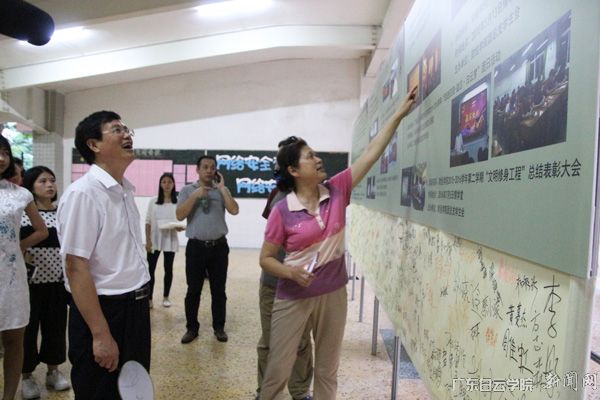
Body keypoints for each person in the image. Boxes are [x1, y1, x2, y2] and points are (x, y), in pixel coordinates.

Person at [258, 86, 417, 400]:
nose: (318, 159)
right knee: (278, 371)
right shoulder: (282, 210)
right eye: (310, 157)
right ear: (293, 170)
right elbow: (266, 258)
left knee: (327, 371)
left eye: (316, 154)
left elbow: (372, 153)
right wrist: (291, 273)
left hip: (333, 294)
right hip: (293, 296)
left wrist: (399, 114)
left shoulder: (338, 189)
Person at [57, 111, 151, 399]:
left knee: (132, 390)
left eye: (127, 129)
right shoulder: (84, 194)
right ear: (94, 144)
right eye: (116, 130)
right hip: (104, 311)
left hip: (135, 308)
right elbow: (76, 267)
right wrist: (100, 334)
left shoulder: (123, 190)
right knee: (99, 391)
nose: (127, 135)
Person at [255, 145, 313, 400]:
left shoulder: (316, 197)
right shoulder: (277, 197)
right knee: (270, 342)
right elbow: (270, 244)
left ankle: (300, 391)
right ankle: (265, 391)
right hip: (273, 283)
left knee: (301, 341)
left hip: (301, 284)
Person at [0, 135, 48, 400]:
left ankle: (8, 396)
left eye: (5, 152)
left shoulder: (21, 194)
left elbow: (41, 230)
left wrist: (19, 246)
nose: (1, 157)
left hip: (11, 277)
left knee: (14, 339)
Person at [176, 155, 239, 344]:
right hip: (196, 248)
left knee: (218, 290)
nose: (209, 170)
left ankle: (219, 327)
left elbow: (234, 210)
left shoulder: (222, 190)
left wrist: (222, 189)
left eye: (212, 167)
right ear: (197, 170)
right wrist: (196, 195)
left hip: (219, 247)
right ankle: (191, 328)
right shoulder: (188, 190)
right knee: (193, 290)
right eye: (205, 167)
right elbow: (179, 215)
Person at [20, 166, 71, 399]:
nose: (50, 185)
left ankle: (53, 371)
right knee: (28, 331)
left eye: (52, 180)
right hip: (28, 285)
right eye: (43, 181)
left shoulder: (62, 214)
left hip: (57, 283)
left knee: (56, 328)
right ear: (31, 186)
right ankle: (27, 376)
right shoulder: (23, 214)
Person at [145, 172, 182, 308]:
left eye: (169, 182)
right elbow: (148, 222)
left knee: (168, 269)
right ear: (160, 184)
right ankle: (149, 298)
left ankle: (166, 297)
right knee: (150, 270)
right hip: (154, 240)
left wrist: (179, 227)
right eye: (164, 182)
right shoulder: (153, 201)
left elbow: (179, 220)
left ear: (173, 184)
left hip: (170, 239)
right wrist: (148, 241)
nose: (166, 185)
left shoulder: (178, 202)